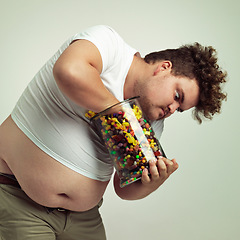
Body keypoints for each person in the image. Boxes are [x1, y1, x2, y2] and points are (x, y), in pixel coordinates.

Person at [0, 25, 227, 240]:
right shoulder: (110, 45)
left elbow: (124, 187)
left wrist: (150, 183)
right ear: (164, 67)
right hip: (20, 200)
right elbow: (69, 70)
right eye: (178, 96)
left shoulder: (151, 122)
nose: (172, 109)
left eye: (180, 110)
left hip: (84, 218)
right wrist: (123, 114)